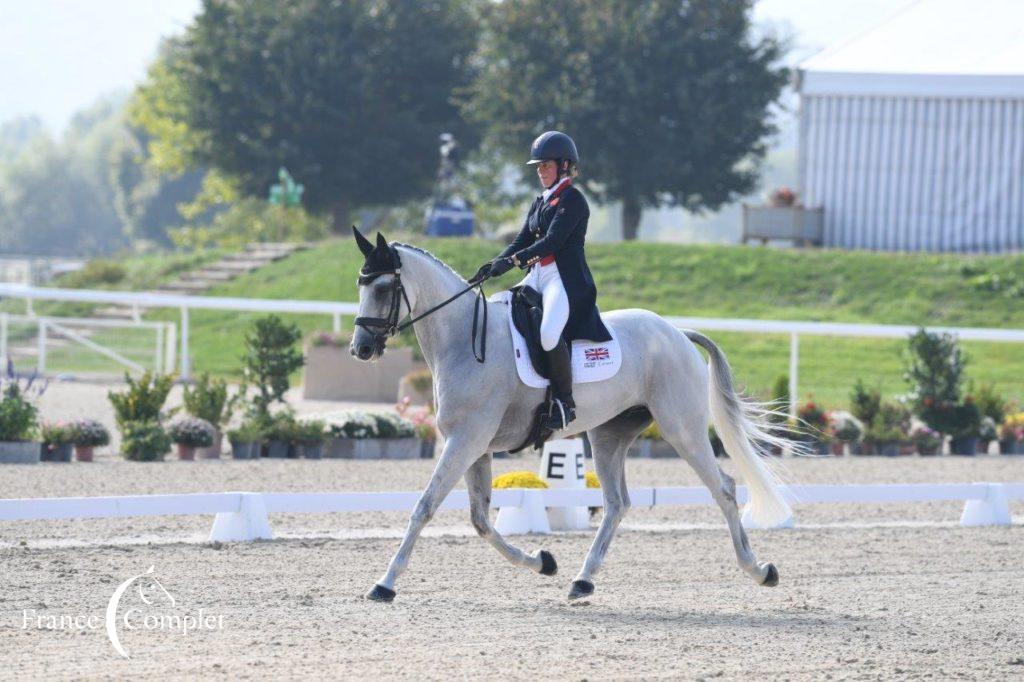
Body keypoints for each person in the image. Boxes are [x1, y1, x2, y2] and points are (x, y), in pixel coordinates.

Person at [474, 131, 611, 431]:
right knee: (503, 313)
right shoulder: (540, 202)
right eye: (537, 166)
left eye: (545, 165)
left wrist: (514, 261)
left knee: (549, 334)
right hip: (537, 275)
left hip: (562, 278)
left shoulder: (573, 200)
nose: (539, 170)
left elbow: (553, 241)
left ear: (564, 166)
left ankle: (565, 402)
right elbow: (522, 239)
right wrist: (496, 264)